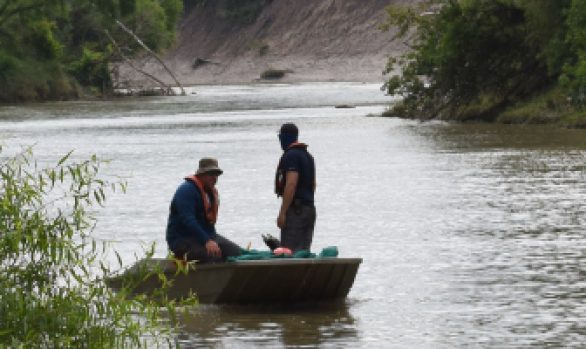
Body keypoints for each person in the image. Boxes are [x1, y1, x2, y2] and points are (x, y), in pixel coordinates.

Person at [166, 157, 241, 263]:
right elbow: (188, 220)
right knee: (214, 255)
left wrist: (212, 240)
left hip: (206, 236)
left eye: (216, 174)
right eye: (210, 174)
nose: (214, 177)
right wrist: (207, 241)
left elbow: (209, 225)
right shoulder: (186, 190)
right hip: (182, 240)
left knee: (237, 253)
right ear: (201, 175)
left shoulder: (211, 193)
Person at [275, 123, 316, 252]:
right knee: (303, 252)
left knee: (288, 252)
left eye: (280, 137)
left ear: (284, 137)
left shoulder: (291, 155)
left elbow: (291, 184)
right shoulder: (308, 156)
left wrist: (283, 212)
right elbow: (313, 185)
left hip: (296, 211)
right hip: (309, 209)